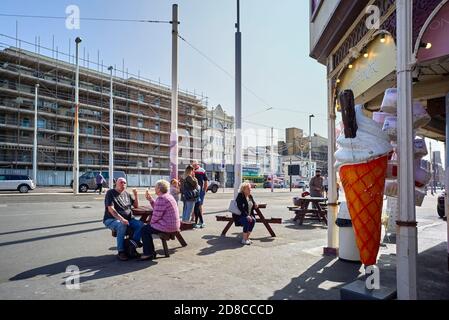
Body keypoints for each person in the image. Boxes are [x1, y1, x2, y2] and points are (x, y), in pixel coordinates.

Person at [103, 177, 144, 261]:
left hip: (129, 219)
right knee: (122, 225)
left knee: (141, 225)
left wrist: (136, 195)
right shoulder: (110, 193)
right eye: (121, 182)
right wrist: (121, 219)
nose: (123, 184)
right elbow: (111, 209)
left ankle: (131, 246)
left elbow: (136, 206)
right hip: (111, 219)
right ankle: (121, 251)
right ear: (116, 184)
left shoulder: (127, 194)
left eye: (124, 183)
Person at [141, 180, 181, 260]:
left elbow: (156, 216)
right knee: (147, 228)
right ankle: (149, 251)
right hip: (174, 225)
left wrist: (150, 224)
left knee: (145, 229)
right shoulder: (168, 196)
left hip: (168, 226)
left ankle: (149, 253)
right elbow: (158, 208)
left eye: (155, 187)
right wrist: (151, 200)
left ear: (159, 189)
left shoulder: (161, 198)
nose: (154, 189)